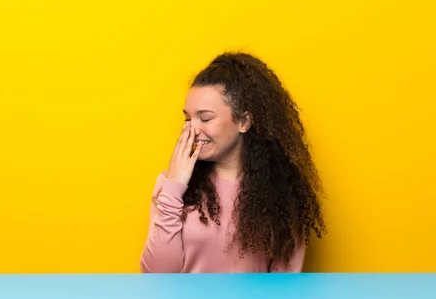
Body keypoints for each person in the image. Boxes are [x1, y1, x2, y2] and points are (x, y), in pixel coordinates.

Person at [140, 52, 326, 273]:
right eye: (188, 118)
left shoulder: (281, 192)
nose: (192, 129)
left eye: (205, 118)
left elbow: (284, 284)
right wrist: (173, 189)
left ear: (244, 122)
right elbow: (156, 276)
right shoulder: (170, 184)